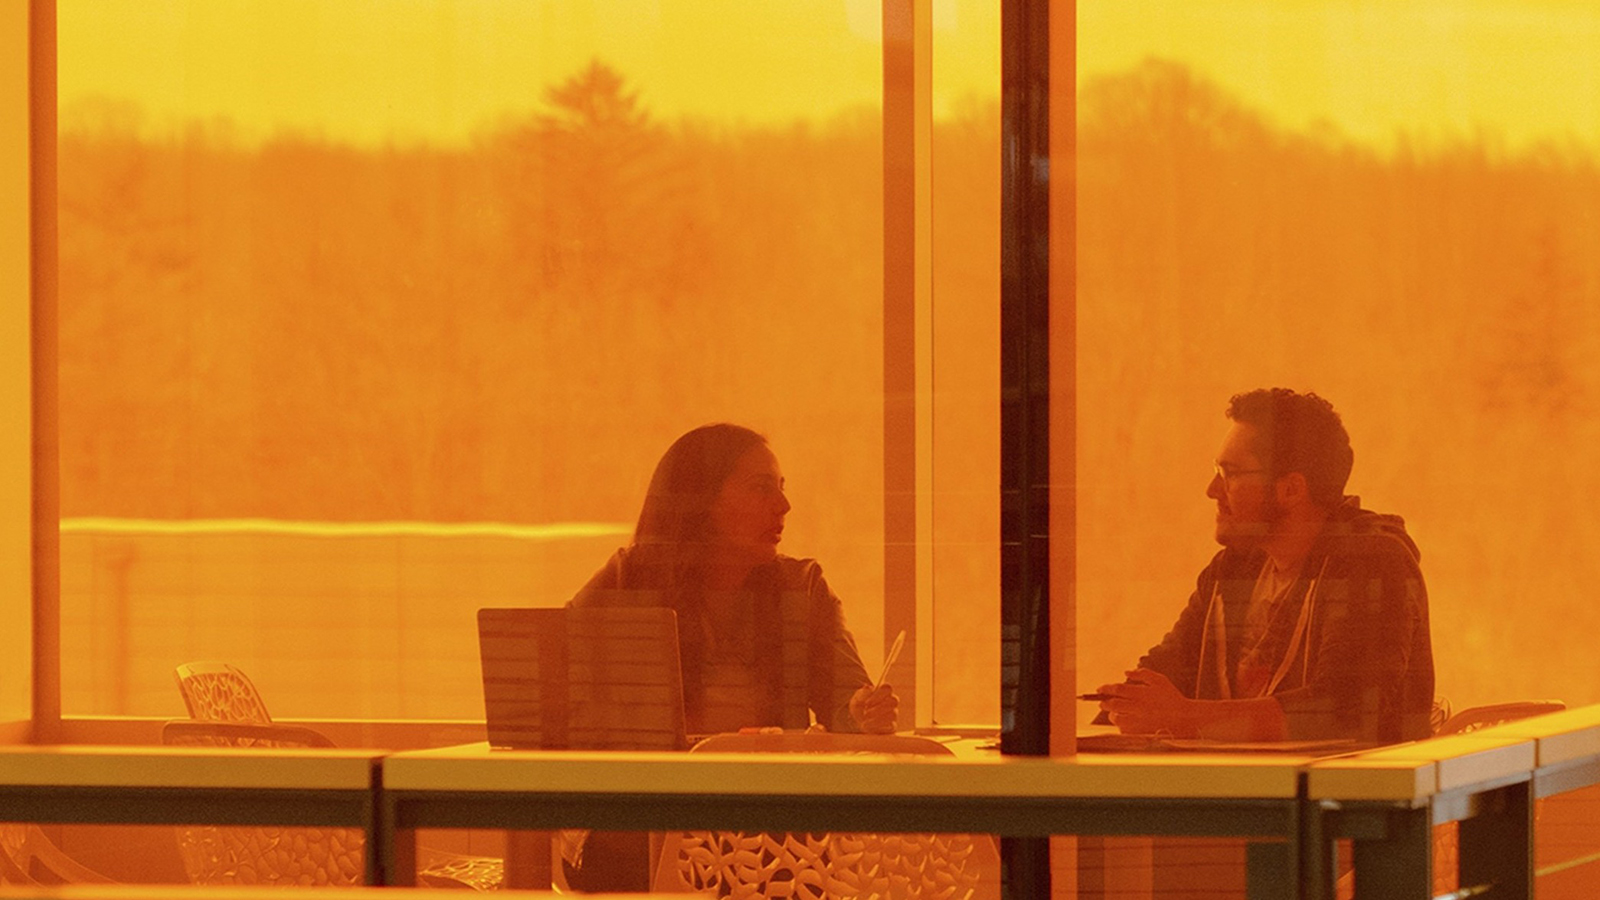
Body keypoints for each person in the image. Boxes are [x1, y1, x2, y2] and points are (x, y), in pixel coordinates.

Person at [1096, 388, 1434, 745]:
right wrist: (1117, 714)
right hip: (1244, 794)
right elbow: (1164, 671)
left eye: (1231, 474)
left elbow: (1343, 711)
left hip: (1341, 797)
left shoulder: (1373, 560)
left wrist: (1185, 717)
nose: (1213, 490)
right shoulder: (1234, 569)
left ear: (1291, 489)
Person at [570, 422, 899, 735]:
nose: (784, 505)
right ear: (700, 500)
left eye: (781, 488)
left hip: (769, 790)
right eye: (761, 488)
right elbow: (552, 687)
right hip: (656, 789)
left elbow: (848, 704)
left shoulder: (802, 588)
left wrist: (864, 713)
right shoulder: (629, 579)